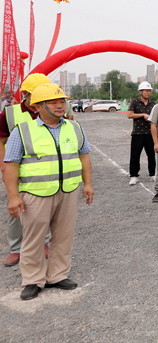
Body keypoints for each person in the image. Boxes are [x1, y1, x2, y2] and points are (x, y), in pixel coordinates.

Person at [3, 83, 93, 301]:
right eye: (53, 102)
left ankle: (57, 275)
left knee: (63, 235)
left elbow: (84, 156)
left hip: (68, 191)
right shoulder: (22, 131)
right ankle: (33, 280)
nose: (61, 106)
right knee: (33, 239)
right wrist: (13, 197)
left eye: (62, 101)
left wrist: (88, 184)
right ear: (38, 106)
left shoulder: (75, 127)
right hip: (36, 193)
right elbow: (11, 165)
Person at [1, 73, 52, 268]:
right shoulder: (9, 113)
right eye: (36, 93)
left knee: (44, 206)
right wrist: (4, 166)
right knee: (16, 207)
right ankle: (16, 248)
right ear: (25, 94)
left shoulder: (50, 110)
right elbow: (1, 140)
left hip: (44, 168)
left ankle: (44, 242)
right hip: (16, 168)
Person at [127, 81, 156, 185]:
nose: (148, 93)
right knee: (135, 155)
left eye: (149, 91)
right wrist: (143, 114)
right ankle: (133, 176)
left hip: (150, 133)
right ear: (140, 91)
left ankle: (153, 174)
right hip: (137, 133)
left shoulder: (153, 104)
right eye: (146, 91)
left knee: (151, 155)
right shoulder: (135, 102)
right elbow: (130, 115)